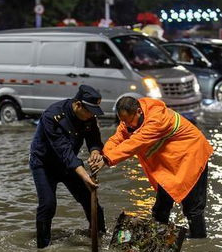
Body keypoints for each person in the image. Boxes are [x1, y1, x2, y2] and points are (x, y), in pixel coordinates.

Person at [89, 96, 213, 238]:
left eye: (129, 121)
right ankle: (158, 237)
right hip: (172, 161)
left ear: (139, 112)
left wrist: (106, 159)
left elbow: (133, 144)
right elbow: (117, 138)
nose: (127, 125)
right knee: (161, 205)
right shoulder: (129, 121)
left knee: (193, 207)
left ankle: (198, 239)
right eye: (123, 121)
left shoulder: (156, 120)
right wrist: (102, 155)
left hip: (192, 155)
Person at [29, 85, 106, 248]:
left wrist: (95, 151)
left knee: (91, 200)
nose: (92, 115)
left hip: (69, 165)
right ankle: (42, 246)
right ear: (78, 105)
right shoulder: (53, 116)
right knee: (48, 204)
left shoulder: (89, 117)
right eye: (90, 111)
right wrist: (85, 175)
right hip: (44, 164)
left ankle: (100, 238)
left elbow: (94, 139)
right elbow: (63, 150)